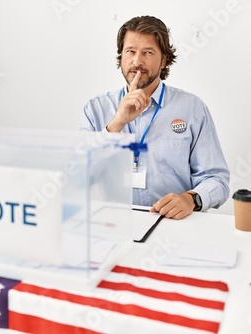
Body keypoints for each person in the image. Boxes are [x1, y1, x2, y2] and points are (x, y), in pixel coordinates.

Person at [79, 15, 230, 220]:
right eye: (130, 51)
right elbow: (78, 176)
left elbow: (217, 179)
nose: (137, 61)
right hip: (112, 223)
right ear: (121, 56)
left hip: (173, 224)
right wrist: (117, 124)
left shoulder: (192, 109)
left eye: (148, 53)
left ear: (164, 60)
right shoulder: (96, 109)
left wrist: (191, 199)